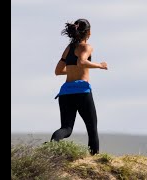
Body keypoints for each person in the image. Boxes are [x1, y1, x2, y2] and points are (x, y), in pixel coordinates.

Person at [50, 18, 108, 156]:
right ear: (89, 32)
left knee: (66, 129)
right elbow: (81, 61)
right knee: (92, 128)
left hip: (65, 93)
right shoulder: (87, 47)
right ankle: (95, 160)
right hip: (82, 91)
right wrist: (100, 65)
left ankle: (52, 147)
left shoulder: (68, 48)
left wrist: (71, 71)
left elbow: (58, 71)